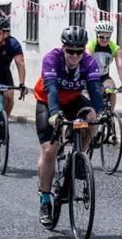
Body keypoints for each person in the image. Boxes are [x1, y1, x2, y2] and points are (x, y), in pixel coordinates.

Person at [33, 25, 103, 225]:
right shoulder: (51, 59)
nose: (74, 55)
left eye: (78, 51)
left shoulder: (89, 62)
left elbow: (95, 90)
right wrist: (55, 114)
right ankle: (45, 200)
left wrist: (101, 112)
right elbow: (52, 89)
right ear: (63, 48)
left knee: (92, 117)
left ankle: (79, 156)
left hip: (73, 100)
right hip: (47, 101)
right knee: (50, 150)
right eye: (70, 51)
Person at [0, 14, 26, 116]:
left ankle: (4, 122)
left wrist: (22, 84)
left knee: (9, 97)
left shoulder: (13, 44)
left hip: (4, 73)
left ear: (5, 34)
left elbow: (20, 63)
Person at [86, 20, 122, 111]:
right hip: (91, 76)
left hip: (104, 76)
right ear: (97, 35)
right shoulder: (91, 46)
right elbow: (88, 63)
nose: (105, 40)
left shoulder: (114, 48)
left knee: (112, 90)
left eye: (107, 37)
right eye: (101, 37)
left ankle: (110, 114)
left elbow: (120, 66)